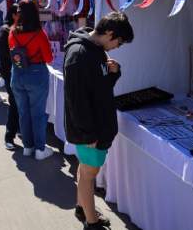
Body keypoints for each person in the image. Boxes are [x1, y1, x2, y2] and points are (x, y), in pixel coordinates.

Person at [64, 12, 134, 229]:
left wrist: (113, 73)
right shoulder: (80, 54)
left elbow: (99, 90)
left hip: (95, 128)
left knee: (86, 170)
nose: (117, 47)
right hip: (90, 131)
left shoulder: (95, 50)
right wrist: (88, 134)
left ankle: (82, 208)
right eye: (119, 42)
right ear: (110, 33)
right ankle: (91, 222)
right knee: (89, 174)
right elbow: (76, 100)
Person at [9, 0, 54, 160]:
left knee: (23, 112)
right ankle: (40, 149)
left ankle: (28, 146)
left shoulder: (13, 31)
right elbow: (49, 58)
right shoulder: (39, 33)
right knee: (38, 114)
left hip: (17, 74)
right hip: (36, 74)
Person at [0, 3, 20, 150]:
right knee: (15, 103)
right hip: (10, 72)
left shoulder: (12, 29)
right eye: (20, 13)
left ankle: (16, 130)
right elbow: (8, 55)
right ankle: (9, 136)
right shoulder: (5, 31)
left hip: (14, 71)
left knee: (18, 103)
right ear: (13, 15)